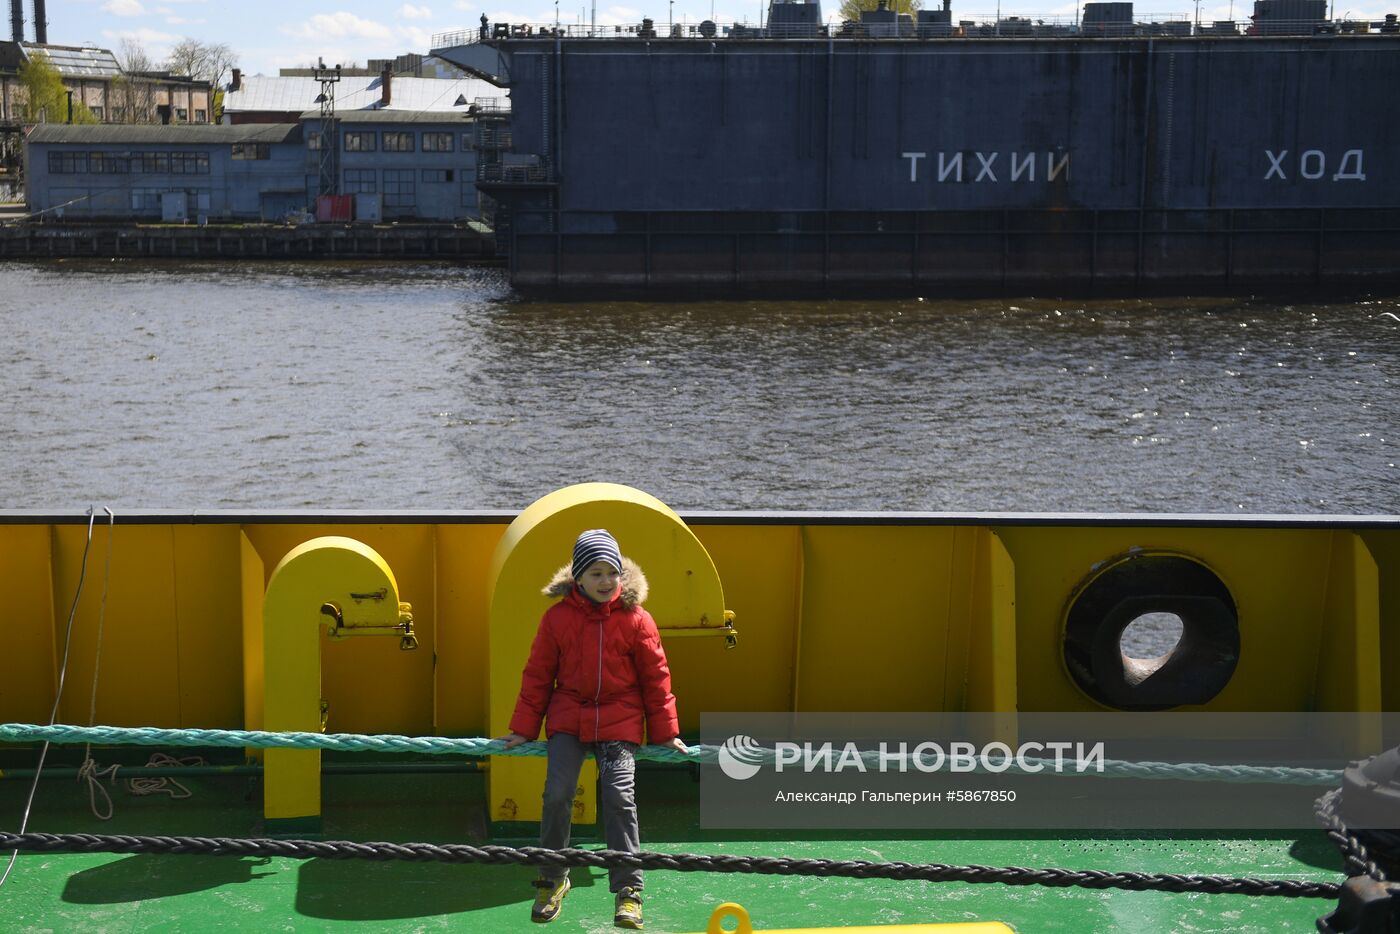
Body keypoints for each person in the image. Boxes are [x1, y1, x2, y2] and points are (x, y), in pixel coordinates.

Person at [497, 529, 687, 929]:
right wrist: (524, 729)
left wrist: (666, 731)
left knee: (619, 797)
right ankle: (553, 876)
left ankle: (628, 890)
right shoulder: (557, 619)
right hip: (569, 718)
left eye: (612, 573)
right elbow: (538, 676)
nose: (605, 582)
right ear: (578, 578)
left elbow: (657, 678)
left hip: (620, 720)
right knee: (558, 793)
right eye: (596, 574)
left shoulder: (637, 620)